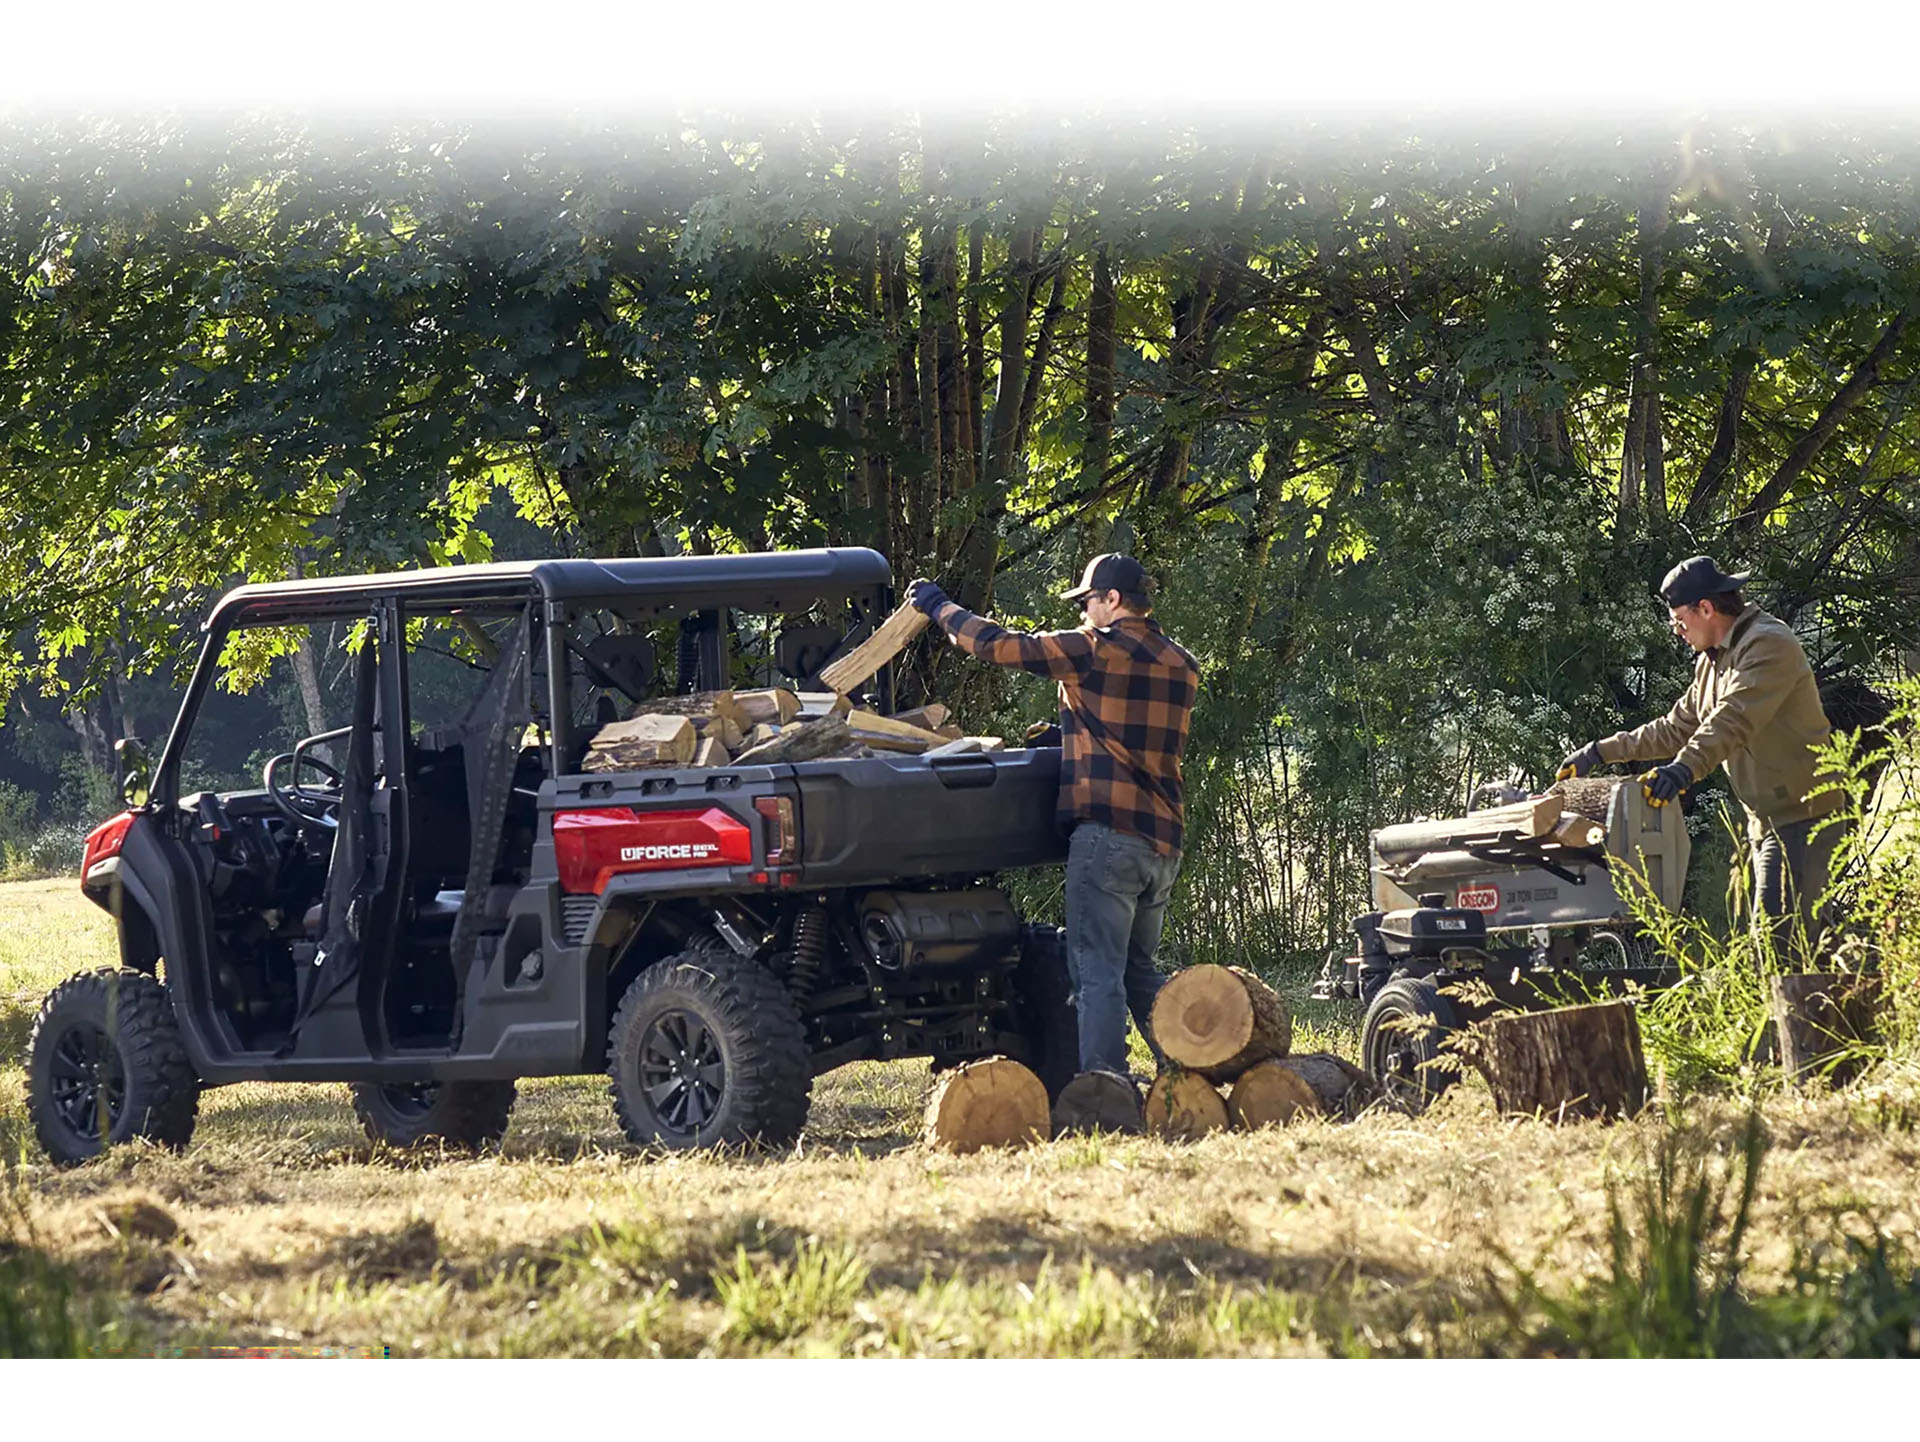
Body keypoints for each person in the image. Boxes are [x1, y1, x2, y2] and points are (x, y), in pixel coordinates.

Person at [907, 555, 1200, 1077]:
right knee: (1138, 969)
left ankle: (1105, 1085)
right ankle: (1188, 1072)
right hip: (1162, 840)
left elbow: (997, 645)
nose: (1085, 613)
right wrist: (1070, 741)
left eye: (1088, 602)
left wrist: (937, 606)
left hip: (1108, 837)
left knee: (1096, 973)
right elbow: (1132, 736)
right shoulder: (1182, 662)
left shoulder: (1094, 649)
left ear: (1112, 600)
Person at [1558, 556, 1841, 965]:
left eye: (1679, 621)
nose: (1677, 632)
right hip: (1769, 821)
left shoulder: (1767, 644)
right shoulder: (1713, 662)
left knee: (1783, 945)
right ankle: (1850, 1022)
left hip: (1804, 814)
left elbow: (1732, 719)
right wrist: (1599, 752)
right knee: (1811, 949)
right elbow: (1676, 727)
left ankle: (1801, 1026)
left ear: (1705, 609)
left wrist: (1684, 768)